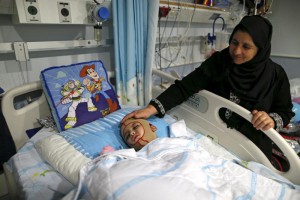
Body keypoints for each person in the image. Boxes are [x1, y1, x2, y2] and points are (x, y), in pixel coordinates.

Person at [121, 15, 295, 170]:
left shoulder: (276, 76)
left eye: (246, 46)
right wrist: (151, 109)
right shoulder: (220, 61)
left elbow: (285, 112)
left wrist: (270, 119)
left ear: (260, 49)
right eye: (234, 42)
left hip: (253, 146)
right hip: (213, 133)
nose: (236, 51)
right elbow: (186, 86)